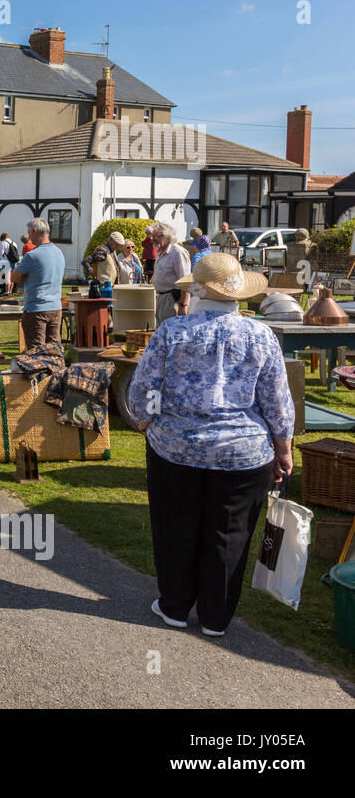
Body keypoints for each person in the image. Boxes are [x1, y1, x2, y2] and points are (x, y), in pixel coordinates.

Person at [128, 253, 292, 637]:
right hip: (243, 452)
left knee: (175, 527)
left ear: (198, 291)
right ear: (236, 295)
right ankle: (215, 618)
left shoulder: (172, 332)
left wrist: (144, 420)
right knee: (230, 533)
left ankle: (174, 606)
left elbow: (143, 392)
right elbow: (278, 402)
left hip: (175, 447)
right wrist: (283, 449)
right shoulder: (261, 335)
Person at [10, 218, 65, 349]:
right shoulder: (59, 252)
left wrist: (25, 276)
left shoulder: (32, 255)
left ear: (35, 231)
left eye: (29, 233)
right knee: (54, 349)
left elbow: (14, 278)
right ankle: (56, 369)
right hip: (56, 307)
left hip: (37, 308)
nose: (28, 237)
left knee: (37, 352)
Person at [150, 222, 191, 324]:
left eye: (157, 236)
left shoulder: (177, 253)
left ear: (168, 237)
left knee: (170, 333)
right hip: (162, 297)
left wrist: (183, 305)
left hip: (172, 299)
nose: (153, 239)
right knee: (162, 332)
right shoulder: (160, 252)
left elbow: (186, 281)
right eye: (152, 236)